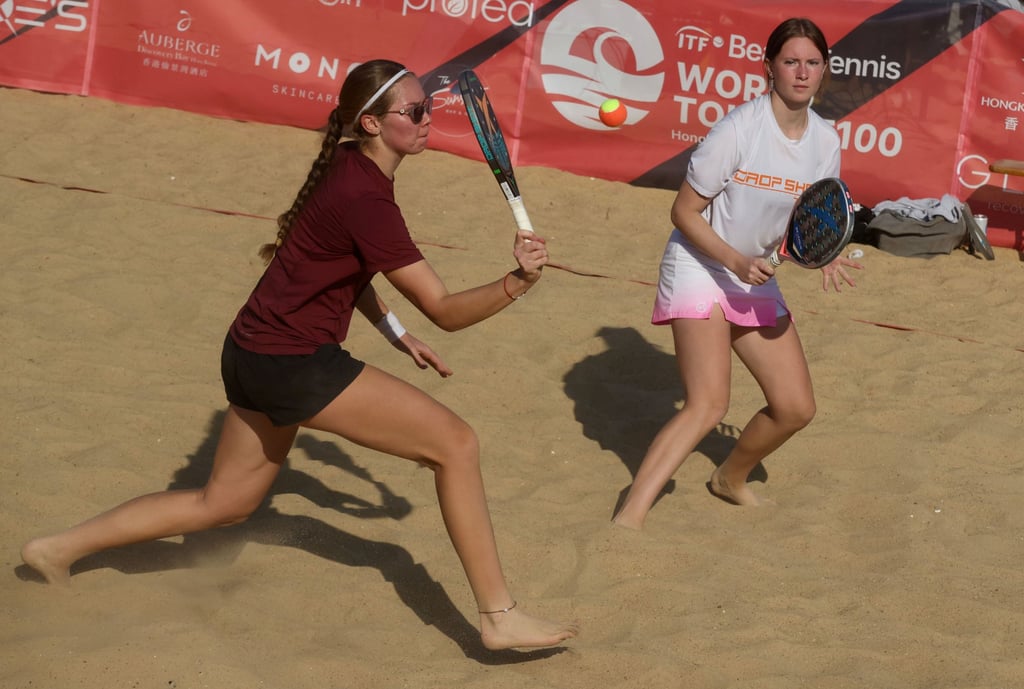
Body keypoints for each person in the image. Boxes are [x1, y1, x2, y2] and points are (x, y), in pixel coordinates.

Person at [21, 59, 577, 651]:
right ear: (371, 123)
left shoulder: (345, 165)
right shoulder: (368, 199)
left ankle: (56, 548)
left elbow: (341, 266)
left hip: (249, 350)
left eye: (427, 108)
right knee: (456, 445)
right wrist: (518, 281)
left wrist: (393, 330)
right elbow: (444, 309)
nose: (425, 119)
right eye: (413, 112)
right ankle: (498, 616)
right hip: (291, 362)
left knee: (225, 503)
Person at [612, 18, 862, 528]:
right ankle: (628, 518)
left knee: (795, 408)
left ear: (825, 71)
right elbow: (682, 213)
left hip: (755, 276)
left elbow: (816, 214)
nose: (801, 72)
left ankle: (729, 477)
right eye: (791, 61)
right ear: (768, 66)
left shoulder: (826, 141)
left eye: (812, 63)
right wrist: (733, 260)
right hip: (703, 264)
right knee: (708, 404)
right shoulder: (737, 130)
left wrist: (827, 249)